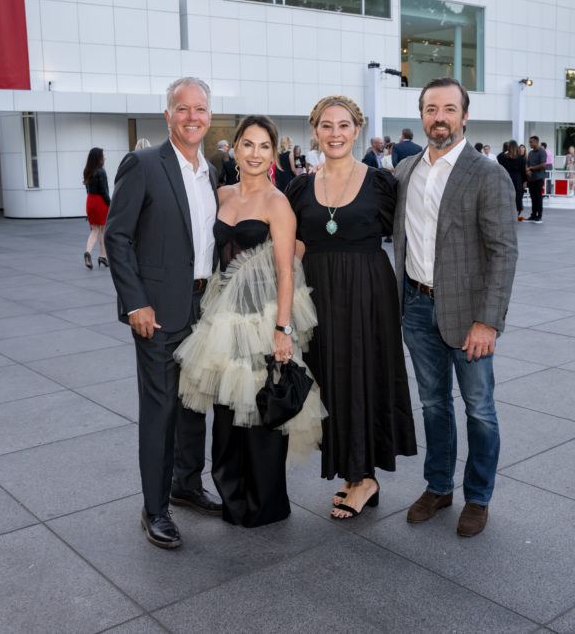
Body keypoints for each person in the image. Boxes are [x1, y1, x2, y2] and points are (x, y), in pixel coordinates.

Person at [174, 115, 324, 528]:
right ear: (235, 148)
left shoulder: (277, 203)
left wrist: (282, 329)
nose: (255, 153)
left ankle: (264, 503)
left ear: (273, 154)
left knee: (260, 412)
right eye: (248, 144)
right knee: (226, 412)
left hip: (262, 318)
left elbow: (287, 271)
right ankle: (231, 496)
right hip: (222, 318)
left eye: (264, 146)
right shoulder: (221, 194)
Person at [393, 76, 518, 538]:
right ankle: (439, 486)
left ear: (464, 116)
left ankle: (478, 497)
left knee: (479, 408)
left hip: (470, 317)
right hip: (416, 307)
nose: (439, 118)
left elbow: (504, 252)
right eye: (431, 109)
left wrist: (487, 321)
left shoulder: (487, 173)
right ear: (422, 116)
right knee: (432, 404)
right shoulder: (405, 171)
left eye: (449, 109)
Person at [104, 77, 223, 550]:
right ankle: (155, 508)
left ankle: (186, 485)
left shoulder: (211, 172)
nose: (193, 117)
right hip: (155, 313)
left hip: (203, 307)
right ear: (168, 115)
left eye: (201, 109)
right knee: (160, 411)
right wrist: (136, 303)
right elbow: (117, 236)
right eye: (183, 108)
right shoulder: (144, 164)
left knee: (193, 405)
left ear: (209, 116)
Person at [286, 95, 416, 520]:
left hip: (367, 293)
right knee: (330, 379)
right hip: (318, 294)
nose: (335, 133)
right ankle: (350, 469)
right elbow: (296, 246)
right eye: (326, 125)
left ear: (357, 130)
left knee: (364, 376)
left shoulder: (381, 182)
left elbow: (410, 234)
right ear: (315, 131)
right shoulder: (301, 187)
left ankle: (364, 477)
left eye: (344, 125)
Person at [83, 147, 110, 269]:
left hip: (90, 201)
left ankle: (88, 253)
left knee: (94, 231)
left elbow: (87, 189)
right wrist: (110, 204)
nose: (105, 158)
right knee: (104, 230)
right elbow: (104, 191)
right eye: (103, 156)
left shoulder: (87, 171)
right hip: (100, 202)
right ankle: (102, 256)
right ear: (99, 158)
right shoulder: (101, 172)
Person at [498, 138, 527, 221]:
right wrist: (525, 181)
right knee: (517, 197)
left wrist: (505, 150)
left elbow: (499, 158)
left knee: (507, 196)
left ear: (508, 147)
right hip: (517, 178)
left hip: (507, 177)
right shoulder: (521, 158)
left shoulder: (504, 157)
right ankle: (516, 215)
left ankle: (507, 214)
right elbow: (523, 171)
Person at [525, 135, 547, 223]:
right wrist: (527, 170)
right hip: (531, 179)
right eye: (529, 142)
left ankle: (539, 216)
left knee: (538, 197)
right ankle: (533, 215)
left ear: (537, 142)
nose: (530, 143)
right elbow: (527, 163)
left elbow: (543, 164)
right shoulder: (530, 153)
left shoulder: (542, 152)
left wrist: (531, 168)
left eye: (531, 142)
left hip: (538, 178)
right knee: (533, 197)